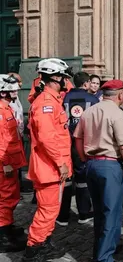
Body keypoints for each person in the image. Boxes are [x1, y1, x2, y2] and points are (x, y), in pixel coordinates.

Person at [73, 79, 123, 262]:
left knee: (100, 211)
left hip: (91, 164)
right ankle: (103, 257)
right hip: (110, 165)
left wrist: (85, 158)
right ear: (120, 95)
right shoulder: (118, 114)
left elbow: (77, 138)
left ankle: (110, 244)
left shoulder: (89, 111)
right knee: (112, 212)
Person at [23, 58, 73, 262]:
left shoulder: (52, 100)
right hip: (49, 166)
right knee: (47, 209)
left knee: (51, 208)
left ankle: (44, 241)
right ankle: (34, 248)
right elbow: (46, 139)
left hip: (52, 166)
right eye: (63, 77)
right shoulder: (45, 103)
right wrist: (61, 162)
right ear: (55, 77)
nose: (66, 82)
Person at [56, 72, 99, 226]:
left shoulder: (63, 98)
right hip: (83, 144)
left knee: (66, 179)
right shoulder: (93, 100)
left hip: (66, 143)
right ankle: (84, 213)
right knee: (82, 180)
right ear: (86, 83)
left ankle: (62, 216)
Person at [0, 75, 27, 253]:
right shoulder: (1, 111)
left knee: (11, 197)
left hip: (11, 161)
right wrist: (4, 163)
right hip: (5, 164)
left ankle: (8, 227)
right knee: (5, 199)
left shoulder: (6, 108)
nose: (16, 92)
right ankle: (3, 236)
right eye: (12, 90)